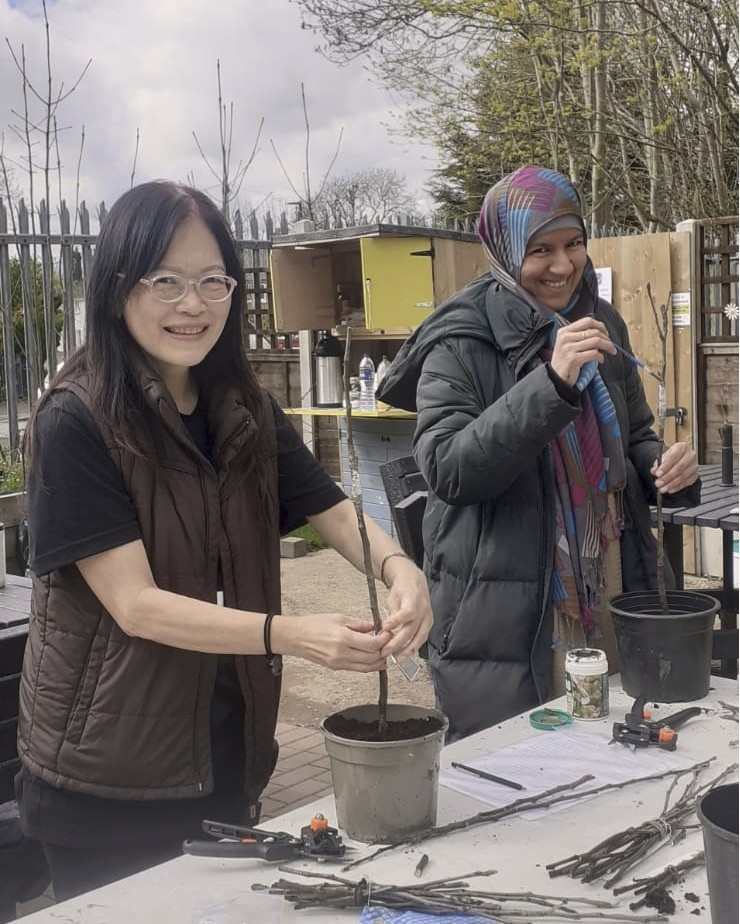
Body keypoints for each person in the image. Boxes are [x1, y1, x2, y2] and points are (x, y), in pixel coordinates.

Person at [16, 180, 432, 900]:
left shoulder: (242, 406)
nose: (193, 305)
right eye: (166, 281)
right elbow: (136, 606)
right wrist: (291, 634)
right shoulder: (76, 420)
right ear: (118, 288)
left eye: (214, 282)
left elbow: (329, 508)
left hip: (223, 751)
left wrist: (402, 567)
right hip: (108, 778)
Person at [376, 165, 699, 742]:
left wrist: (663, 466)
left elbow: (634, 436)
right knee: (531, 777)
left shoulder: (600, 322)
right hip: (513, 615)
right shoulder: (460, 341)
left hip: (609, 586)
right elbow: (449, 470)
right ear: (503, 251)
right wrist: (551, 384)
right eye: (540, 249)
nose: (562, 265)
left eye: (573, 244)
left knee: (617, 752)